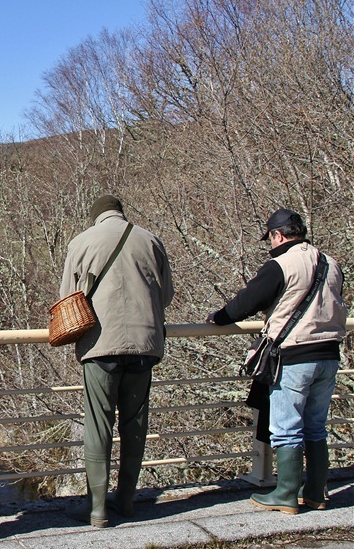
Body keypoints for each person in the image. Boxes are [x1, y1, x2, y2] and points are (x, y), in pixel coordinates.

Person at [207, 208, 346, 514]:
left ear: (277, 235)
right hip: (329, 354)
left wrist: (219, 317)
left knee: (287, 427)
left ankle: (285, 494)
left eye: (269, 238)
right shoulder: (331, 263)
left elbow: (247, 302)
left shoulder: (280, 265)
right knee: (316, 427)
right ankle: (316, 493)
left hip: (295, 355)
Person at [59, 195, 174, 527]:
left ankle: (96, 509)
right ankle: (126, 501)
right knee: (135, 425)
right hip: (145, 345)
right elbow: (166, 295)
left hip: (100, 346)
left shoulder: (81, 242)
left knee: (99, 425)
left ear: (95, 217)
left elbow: (68, 298)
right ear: (121, 214)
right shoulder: (151, 240)